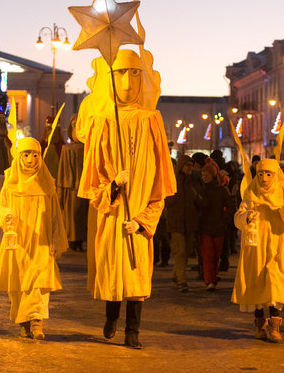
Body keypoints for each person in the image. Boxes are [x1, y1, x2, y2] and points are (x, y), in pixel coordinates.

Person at [77, 49, 177, 349]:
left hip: (139, 215)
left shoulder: (152, 121)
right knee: (112, 271)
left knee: (136, 275)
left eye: (135, 72)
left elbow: (160, 181)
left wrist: (145, 220)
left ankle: (133, 330)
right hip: (111, 213)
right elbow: (92, 181)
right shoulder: (101, 122)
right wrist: (113, 187)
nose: (128, 80)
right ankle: (111, 316)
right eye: (121, 72)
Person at [0, 138, 68, 340]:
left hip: (41, 241)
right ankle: (23, 321)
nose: (31, 159)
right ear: (19, 156)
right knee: (18, 282)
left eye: (35, 154)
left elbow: (55, 215)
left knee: (38, 281)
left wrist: (56, 238)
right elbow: (0, 206)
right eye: (26, 154)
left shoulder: (46, 182)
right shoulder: (10, 181)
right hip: (18, 242)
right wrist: (6, 216)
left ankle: (36, 322)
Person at [232, 159, 284, 342]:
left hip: (276, 244)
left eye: (268, 174)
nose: (264, 178)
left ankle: (275, 325)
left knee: (274, 282)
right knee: (257, 281)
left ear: (275, 175)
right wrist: (246, 217)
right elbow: (238, 217)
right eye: (261, 174)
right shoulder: (250, 192)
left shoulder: (282, 193)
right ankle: (259, 323)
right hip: (255, 246)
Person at [165, 155, 201, 293]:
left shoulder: (193, 182)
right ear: (181, 167)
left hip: (190, 223)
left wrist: (196, 196)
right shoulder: (173, 183)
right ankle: (182, 281)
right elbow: (166, 202)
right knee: (180, 252)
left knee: (186, 253)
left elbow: (200, 201)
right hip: (176, 224)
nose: (190, 168)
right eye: (187, 166)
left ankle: (175, 275)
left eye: (191, 166)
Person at [197, 162, 233, 292]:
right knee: (208, 255)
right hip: (204, 227)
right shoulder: (201, 190)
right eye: (202, 175)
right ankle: (209, 280)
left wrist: (224, 220)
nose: (204, 178)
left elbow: (230, 207)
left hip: (218, 227)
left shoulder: (222, 190)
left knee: (216, 255)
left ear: (213, 175)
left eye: (206, 175)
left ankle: (213, 277)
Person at [57, 114, 89, 252]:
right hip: (70, 187)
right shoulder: (67, 149)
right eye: (75, 125)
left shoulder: (88, 149)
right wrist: (62, 187)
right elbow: (63, 171)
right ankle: (73, 240)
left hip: (85, 187)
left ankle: (80, 240)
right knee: (72, 215)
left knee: (83, 215)